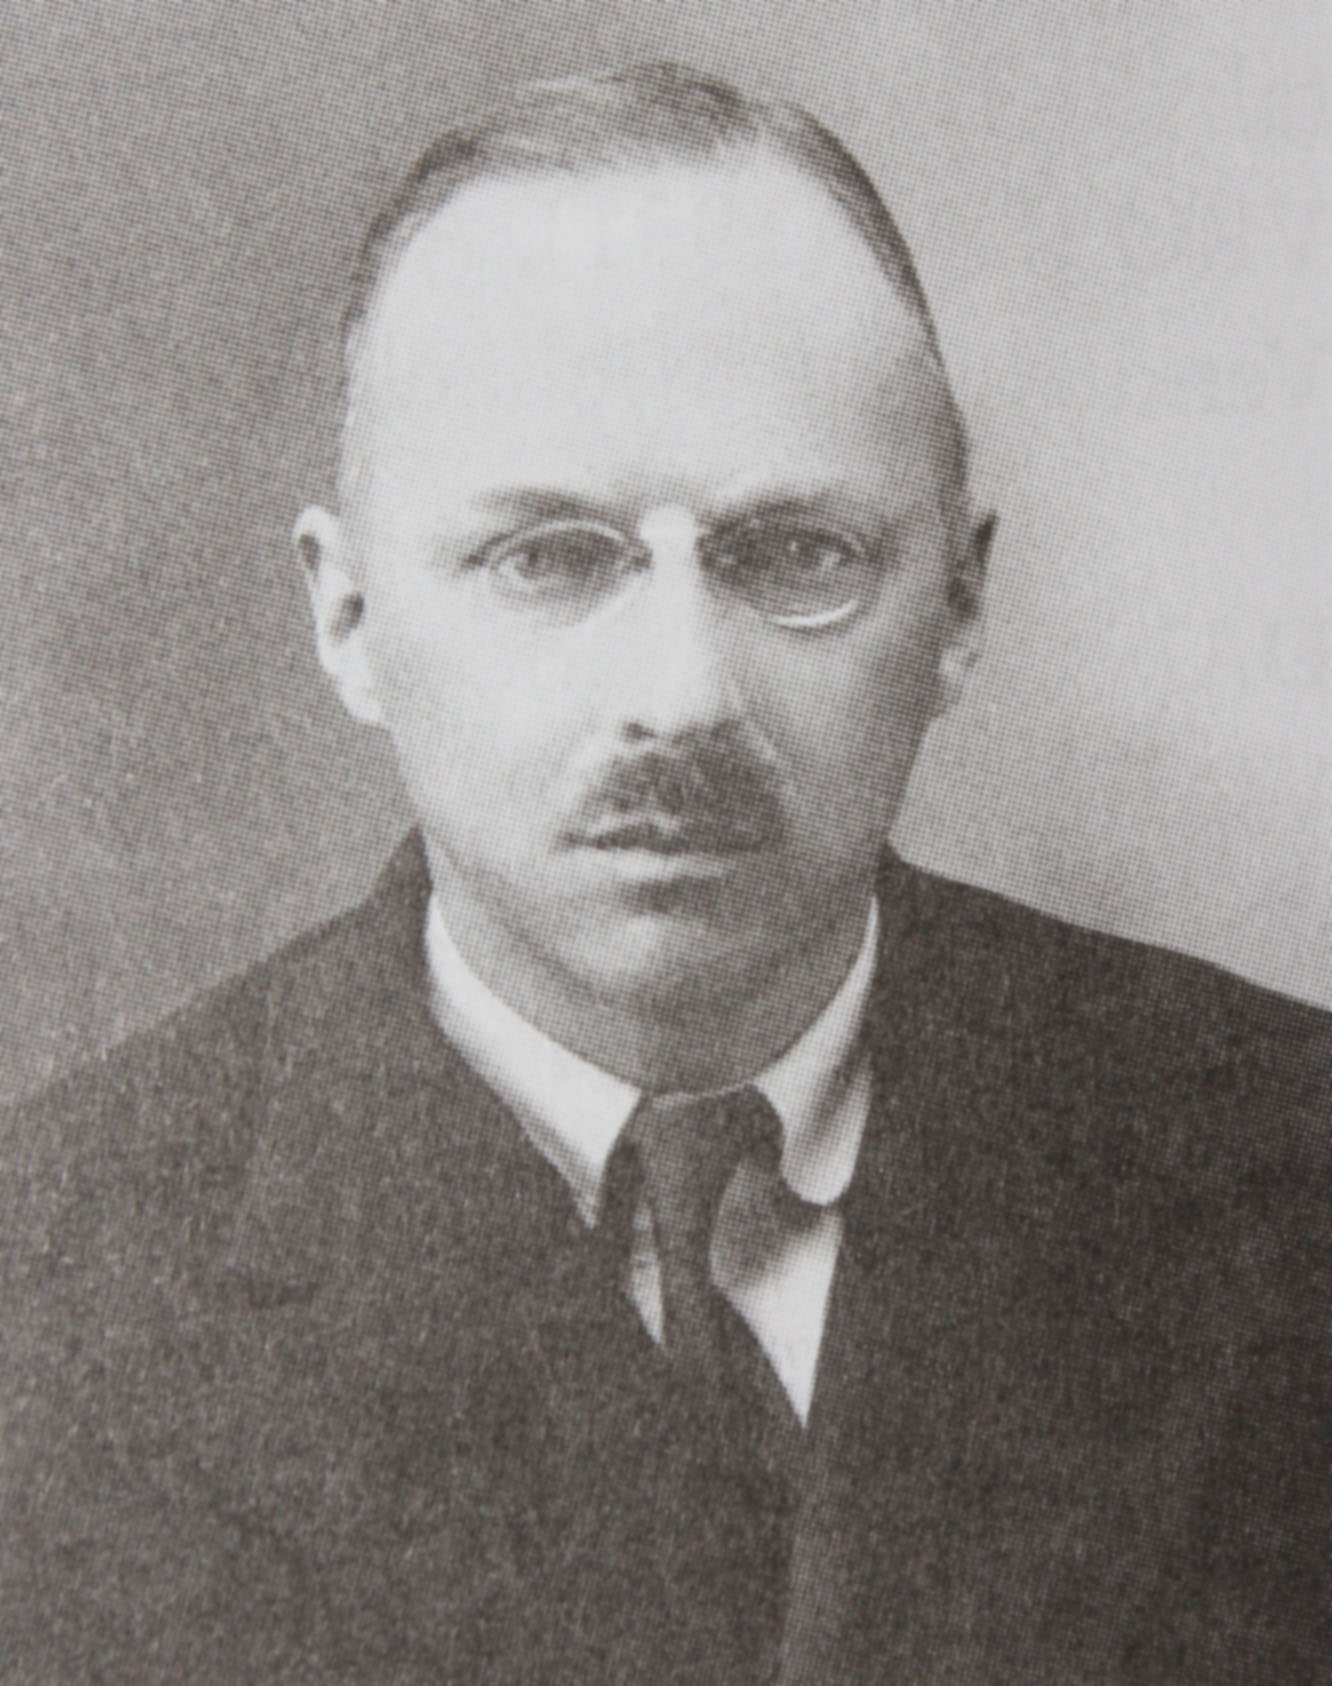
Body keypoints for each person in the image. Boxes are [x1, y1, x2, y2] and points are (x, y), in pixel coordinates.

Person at [1, 62, 1326, 1686]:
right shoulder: (49, 1290)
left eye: (798, 555)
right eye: (550, 558)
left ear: (960, 607)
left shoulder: (1287, 1169)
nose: (683, 694)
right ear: (347, 618)